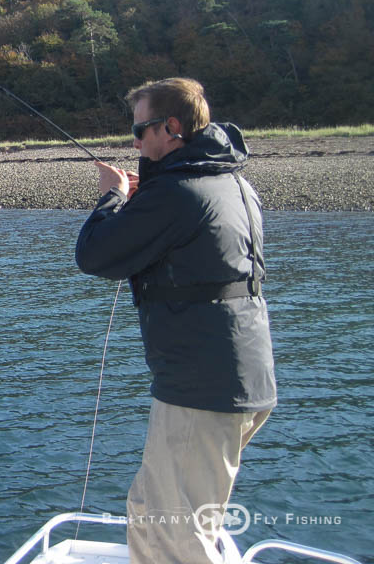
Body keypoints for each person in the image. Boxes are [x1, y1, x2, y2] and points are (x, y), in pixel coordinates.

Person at [75, 78, 277, 564]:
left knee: (174, 533)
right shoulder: (232, 183)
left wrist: (112, 197)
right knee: (153, 510)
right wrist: (150, 192)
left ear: (171, 127)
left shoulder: (180, 193)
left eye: (140, 131)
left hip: (201, 387)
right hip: (241, 379)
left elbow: (96, 255)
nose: (135, 143)